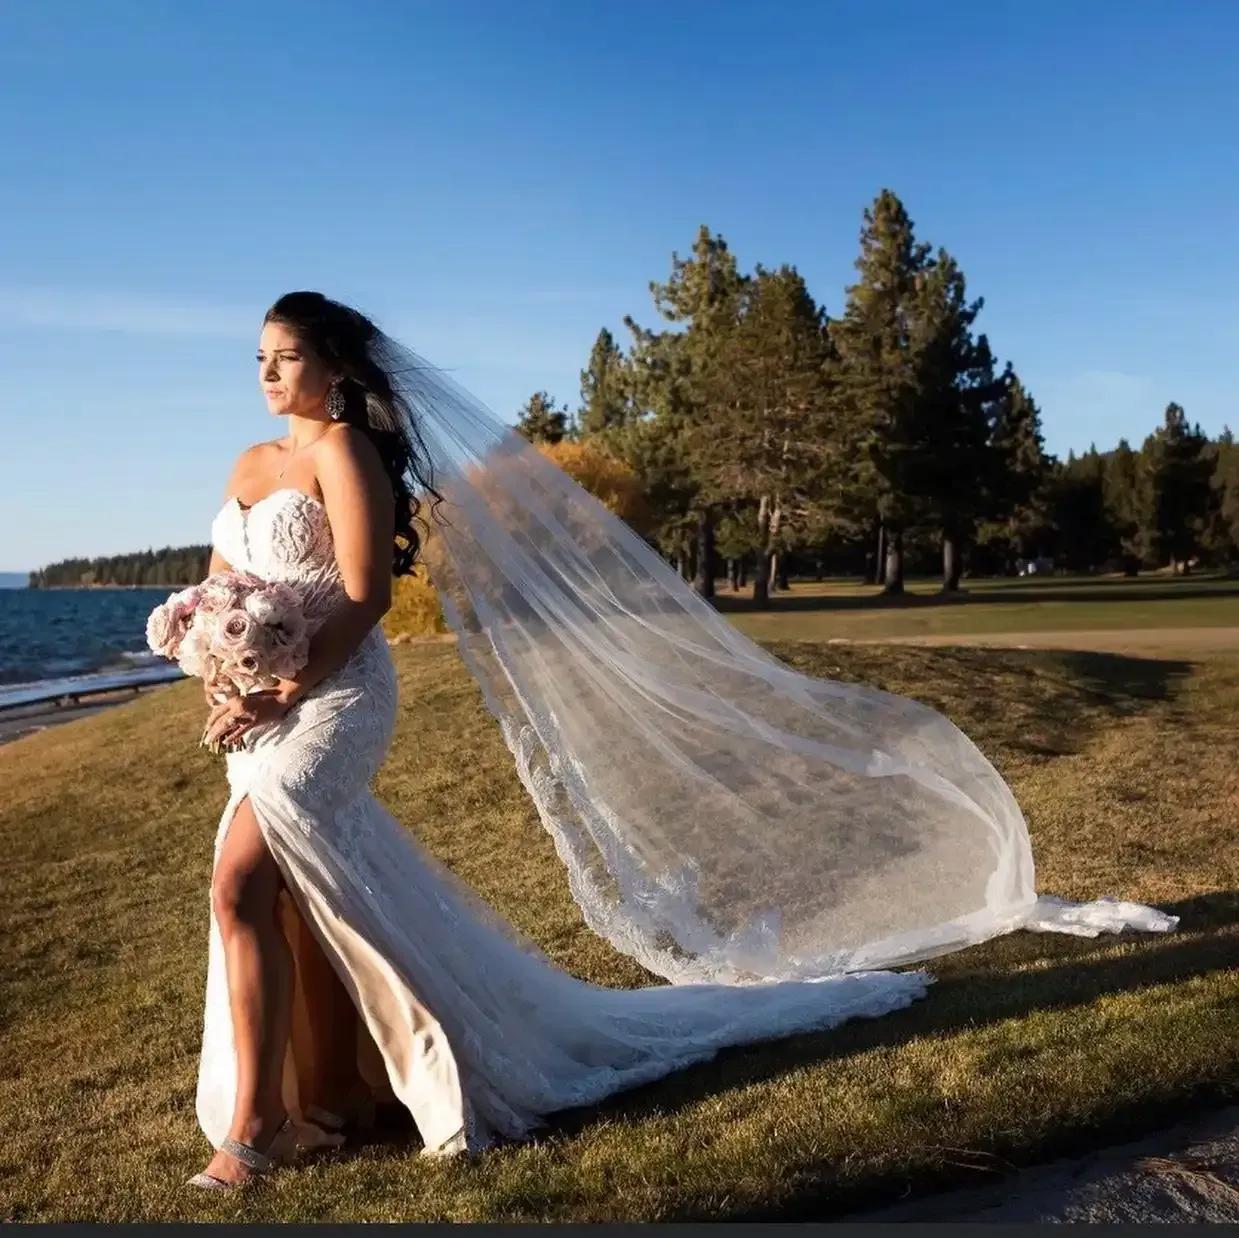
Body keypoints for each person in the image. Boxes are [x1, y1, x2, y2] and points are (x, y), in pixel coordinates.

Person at [187, 292, 1173, 1190]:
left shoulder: (343, 456)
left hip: (332, 702)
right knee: (271, 893)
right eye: (262, 357)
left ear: (335, 369)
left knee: (240, 879)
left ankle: (258, 1124)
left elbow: (361, 596)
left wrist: (283, 685)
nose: (269, 373)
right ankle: (320, 1090)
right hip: (259, 702)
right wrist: (218, 662)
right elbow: (219, 589)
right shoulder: (246, 464)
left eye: (286, 356)